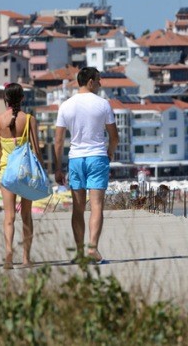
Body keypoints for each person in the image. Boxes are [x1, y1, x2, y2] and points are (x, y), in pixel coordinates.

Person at [54, 67, 118, 262]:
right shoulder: (103, 104)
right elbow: (114, 136)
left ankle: (80, 252)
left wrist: (58, 168)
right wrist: (110, 152)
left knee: (78, 208)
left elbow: (58, 141)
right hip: (97, 156)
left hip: (75, 158)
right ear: (90, 81)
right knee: (96, 205)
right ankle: (93, 249)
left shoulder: (66, 105)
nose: (100, 83)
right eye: (98, 80)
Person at [0, 83, 41, 269]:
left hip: (7, 172)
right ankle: (26, 258)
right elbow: (36, 150)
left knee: (9, 217)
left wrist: (2, 167)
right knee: (26, 215)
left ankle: (8, 255)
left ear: (5, 99)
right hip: (26, 172)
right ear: (22, 98)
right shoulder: (29, 119)